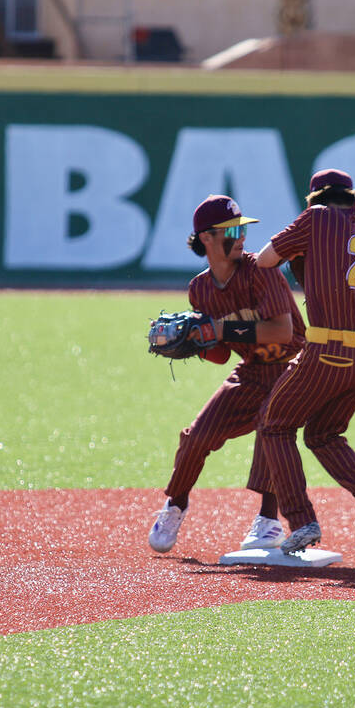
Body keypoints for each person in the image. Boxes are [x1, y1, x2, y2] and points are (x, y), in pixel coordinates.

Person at [254, 169, 355, 567]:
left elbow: (266, 260)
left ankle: (302, 522)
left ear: (314, 199)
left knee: (274, 423)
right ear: (352, 200)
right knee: (324, 434)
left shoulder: (315, 219)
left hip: (327, 351)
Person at [148, 194, 307, 555]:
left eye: (241, 228)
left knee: (272, 425)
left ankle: (268, 520)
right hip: (252, 369)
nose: (241, 236)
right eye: (231, 230)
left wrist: (219, 330)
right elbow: (220, 355)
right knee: (196, 436)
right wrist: (195, 340)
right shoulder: (200, 289)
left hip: (294, 365)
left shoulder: (260, 273)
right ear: (206, 238)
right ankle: (175, 504)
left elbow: (282, 331)